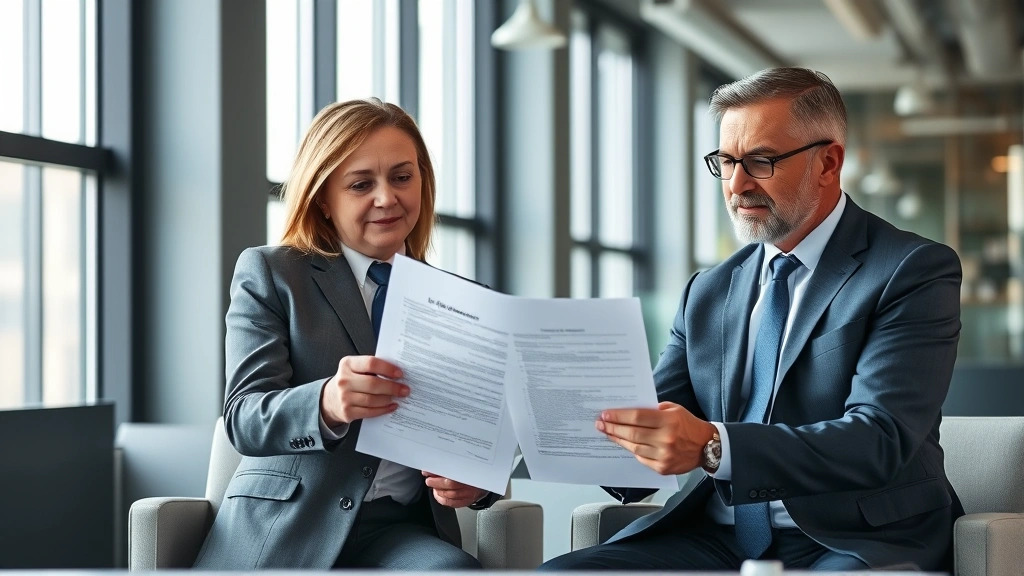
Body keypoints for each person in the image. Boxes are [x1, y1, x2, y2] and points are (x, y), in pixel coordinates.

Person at [541, 67, 963, 572]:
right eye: (726, 161)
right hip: (716, 537)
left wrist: (715, 446)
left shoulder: (910, 270)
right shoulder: (708, 290)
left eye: (760, 161)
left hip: (855, 537)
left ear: (828, 163)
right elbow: (657, 420)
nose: (737, 185)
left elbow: (879, 438)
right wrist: (530, 425)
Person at [193, 99, 495, 570]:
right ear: (324, 201)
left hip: (401, 532)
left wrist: (475, 485)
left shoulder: (458, 300)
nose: (387, 198)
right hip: (288, 525)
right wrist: (328, 403)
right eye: (360, 184)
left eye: (402, 177)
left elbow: (477, 436)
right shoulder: (274, 273)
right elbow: (244, 418)